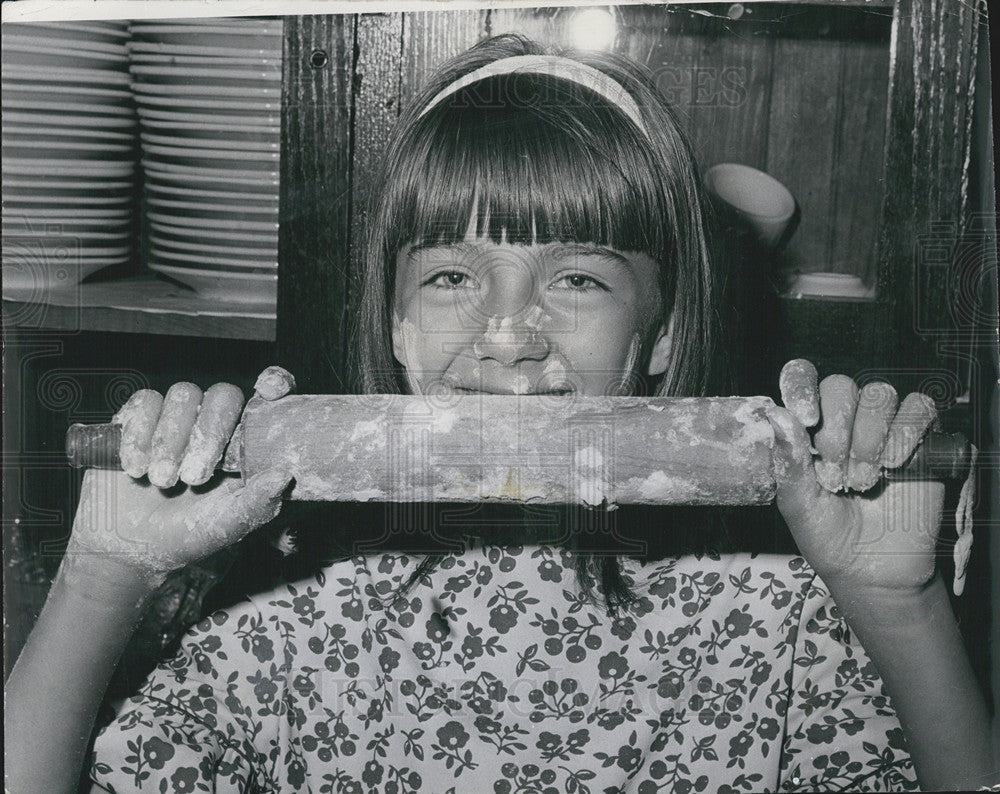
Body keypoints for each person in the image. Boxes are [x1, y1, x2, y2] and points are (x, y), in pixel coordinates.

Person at [5, 34, 994, 793]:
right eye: (447, 276)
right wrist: (103, 574)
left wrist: (896, 606)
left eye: (574, 276)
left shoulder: (784, 617)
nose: (508, 333)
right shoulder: (283, 613)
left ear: (658, 334)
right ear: (392, 326)